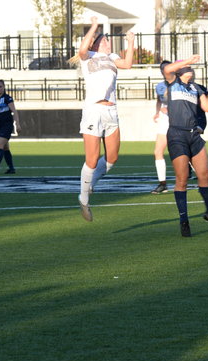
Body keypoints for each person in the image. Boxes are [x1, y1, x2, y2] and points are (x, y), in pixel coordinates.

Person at [70, 16, 134, 221]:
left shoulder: (112, 57)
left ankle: (91, 185)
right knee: (91, 159)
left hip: (111, 110)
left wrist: (131, 43)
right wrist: (94, 26)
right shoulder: (88, 56)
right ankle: (84, 198)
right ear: (96, 43)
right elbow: (82, 49)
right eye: (105, 40)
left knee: (112, 158)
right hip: (94, 110)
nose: (108, 42)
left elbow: (127, 64)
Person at [162, 55, 208, 237]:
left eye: (191, 67)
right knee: (182, 179)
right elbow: (167, 69)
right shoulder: (173, 82)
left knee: (204, 175)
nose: (191, 69)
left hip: (194, 135)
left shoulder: (196, 88)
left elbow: (207, 107)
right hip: (177, 135)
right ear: (180, 70)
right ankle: (184, 220)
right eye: (187, 67)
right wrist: (187, 61)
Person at [150, 61, 171, 194]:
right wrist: (157, 112)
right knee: (158, 151)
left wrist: (171, 109)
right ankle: (162, 183)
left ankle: (200, 176)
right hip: (165, 119)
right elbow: (159, 100)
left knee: (183, 151)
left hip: (178, 119)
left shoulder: (180, 85)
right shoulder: (160, 86)